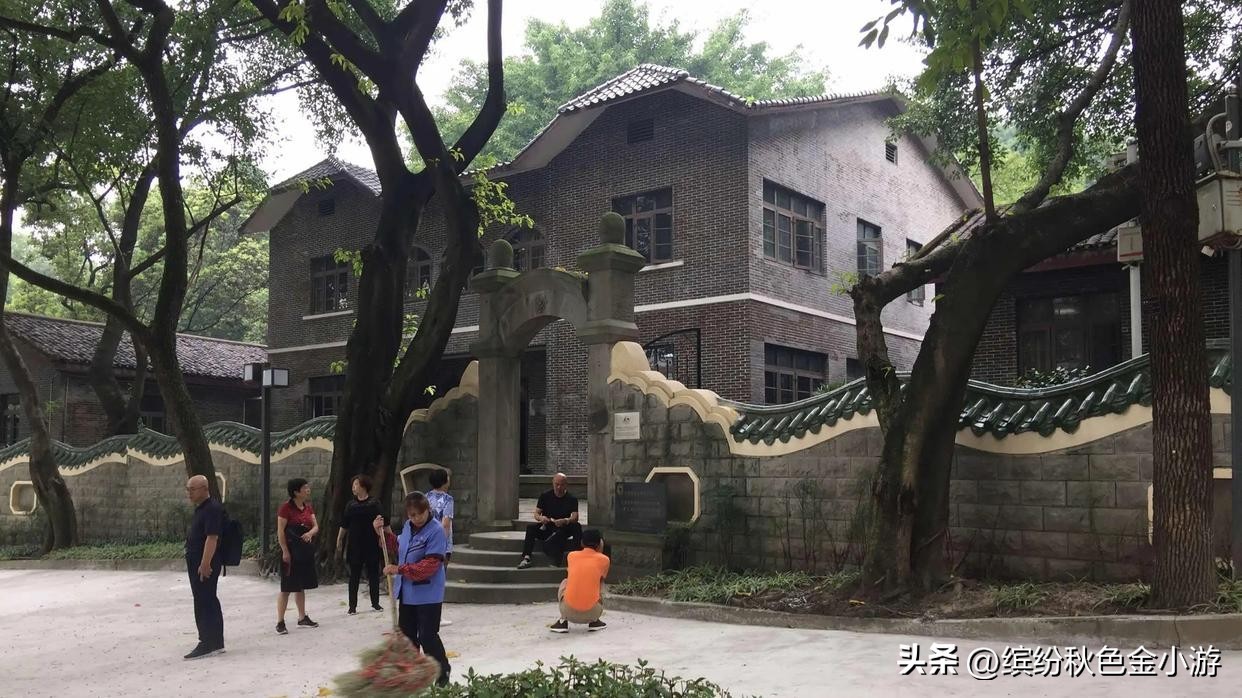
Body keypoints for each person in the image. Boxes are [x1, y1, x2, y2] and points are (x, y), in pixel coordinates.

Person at [380, 492, 451, 686]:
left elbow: (429, 566)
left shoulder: (436, 531)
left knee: (427, 637)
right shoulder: (407, 527)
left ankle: (442, 673)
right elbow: (398, 545)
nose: (417, 518)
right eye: (412, 515)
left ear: (428, 510)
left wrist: (399, 569)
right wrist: (382, 533)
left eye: (420, 513)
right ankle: (413, 675)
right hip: (408, 593)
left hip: (428, 593)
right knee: (408, 639)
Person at [183, 475, 225, 659]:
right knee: (207, 599)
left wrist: (205, 563)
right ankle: (215, 641)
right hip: (198, 561)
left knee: (204, 600)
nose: (189, 493)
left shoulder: (211, 508)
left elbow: (212, 537)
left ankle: (207, 642)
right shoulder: (202, 508)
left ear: (204, 489)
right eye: (188, 489)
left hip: (204, 563)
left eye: (192, 489)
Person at [276, 478, 320, 634]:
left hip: (304, 551)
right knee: (287, 587)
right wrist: (285, 551)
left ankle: (302, 617)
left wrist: (310, 533)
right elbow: (281, 531)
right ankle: (280, 622)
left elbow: (316, 526)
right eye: (305, 488)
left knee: (300, 585)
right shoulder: (285, 508)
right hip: (291, 550)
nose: (308, 490)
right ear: (296, 492)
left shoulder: (308, 507)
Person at [336, 474, 383, 615]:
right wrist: (339, 539)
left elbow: (383, 522)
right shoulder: (350, 505)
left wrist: (385, 538)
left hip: (371, 542)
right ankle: (352, 606)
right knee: (354, 575)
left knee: (373, 574)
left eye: (356, 484)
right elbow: (344, 524)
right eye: (353, 485)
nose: (353, 487)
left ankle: (375, 603)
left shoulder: (374, 503)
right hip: (355, 544)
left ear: (363, 486)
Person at [551, 528, 609, 633]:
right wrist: (600, 550)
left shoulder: (571, 556)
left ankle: (562, 620)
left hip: (567, 611)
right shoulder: (604, 560)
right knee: (599, 583)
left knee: (566, 581)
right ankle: (595, 621)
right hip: (593, 612)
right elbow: (599, 579)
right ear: (600, 543)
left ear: (582, 542)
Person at [517, 472, 581, 569]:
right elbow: (536, 514)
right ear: (553, 483)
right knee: (531, 528)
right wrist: (541, 518)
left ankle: (577, 556)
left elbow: (575, 517)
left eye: (562, 485)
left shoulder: (571, 499)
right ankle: (527, 557)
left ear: (566, 485)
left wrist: (566, 520)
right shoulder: (545, 496)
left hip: (563, 527)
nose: (559, 487)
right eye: (557, 484)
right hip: (547, 526)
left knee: (576, 526)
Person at [424, 469, 455, 627]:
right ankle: (436, 615)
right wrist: (442, 544)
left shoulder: (425, 497)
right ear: (444, 481)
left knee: (426, 578)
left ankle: (424, 613)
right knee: (439, 580)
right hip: (441, 544)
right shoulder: (448, 499)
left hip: (426, 542)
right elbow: (445, 523)